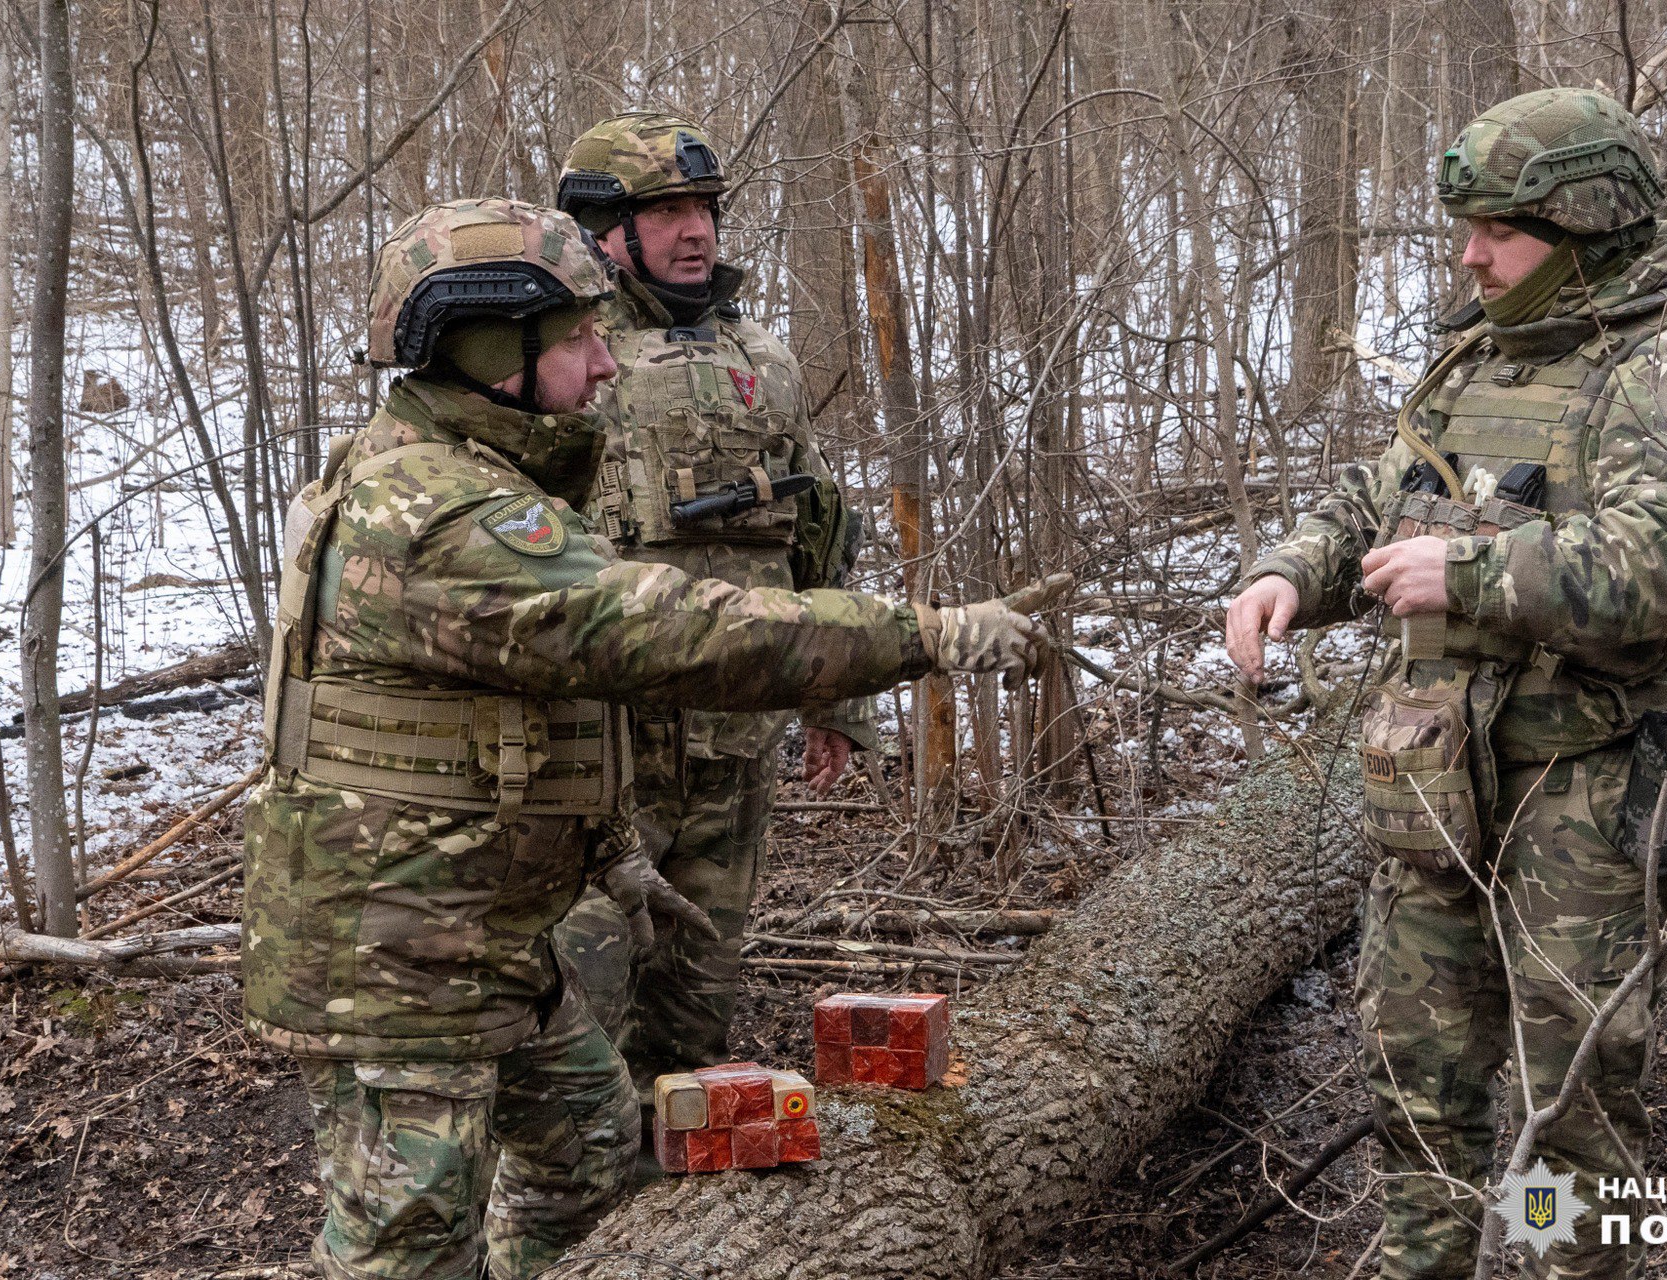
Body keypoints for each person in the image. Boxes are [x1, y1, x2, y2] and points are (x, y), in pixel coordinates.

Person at [242, 196, 1059, 1280]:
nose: (606, 363)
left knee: (590, 1145)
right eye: (579, 337)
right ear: (493, 349)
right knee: (407, 1247)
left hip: (474, 935)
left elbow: (509, 713)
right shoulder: (441, 516)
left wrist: (603, 839)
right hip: (396, 964)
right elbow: (675, 633)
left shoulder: (449, 473)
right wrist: (927, 634)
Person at [1224, 89, 1667, 1279]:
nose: (1470, 254)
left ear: (1584, 226)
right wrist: (1289, 571)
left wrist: (1473, 571)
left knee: (1568, 1113)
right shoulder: (1481, 352)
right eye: (1467, 228)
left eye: (1500, 231)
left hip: (1586, 794)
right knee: (1416, 1081)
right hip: (1438, 786)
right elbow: (1383, 499)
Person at [548, 111, 874, 1117]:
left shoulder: (760, 358)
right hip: (604, 760)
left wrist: (837, 697)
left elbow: (818, 519)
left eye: (704, 208)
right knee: (577, 1030)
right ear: (606, 228)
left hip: (731, 754)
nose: (696, 230)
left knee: (694, 1020)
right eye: (666, 211)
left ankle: (671, 1228)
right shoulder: (562, 359)